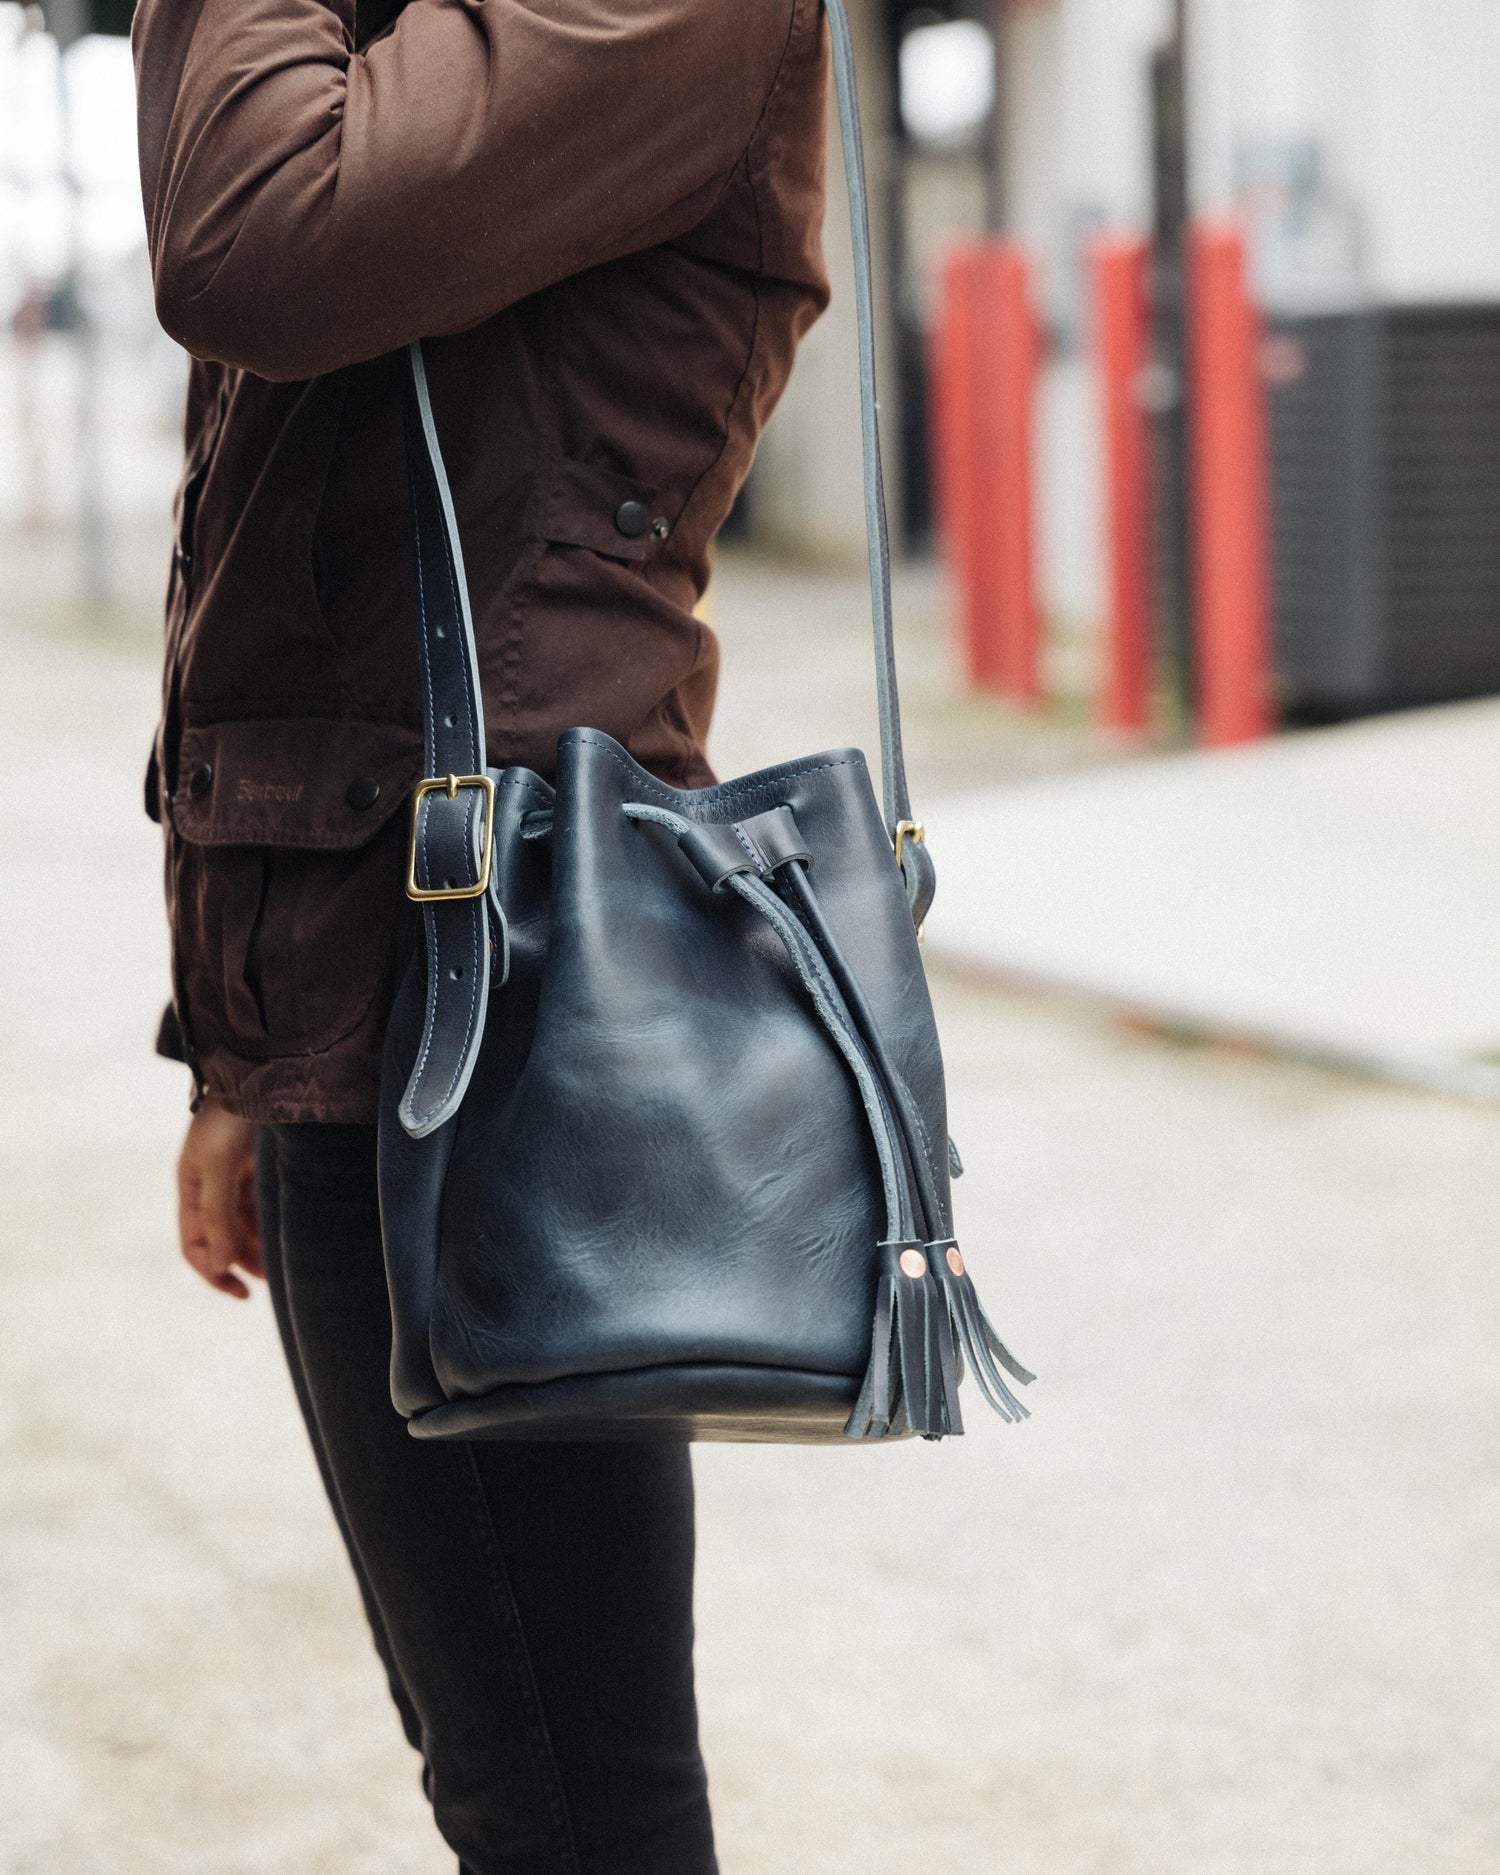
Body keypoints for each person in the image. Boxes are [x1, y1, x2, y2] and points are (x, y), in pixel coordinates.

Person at [132, 1, 831, 1867]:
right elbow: (302, 530)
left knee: (564, 1789)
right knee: (509, 1760)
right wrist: (243, 1048)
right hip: (369, 977)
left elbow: (253, 241)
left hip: (502, 981)